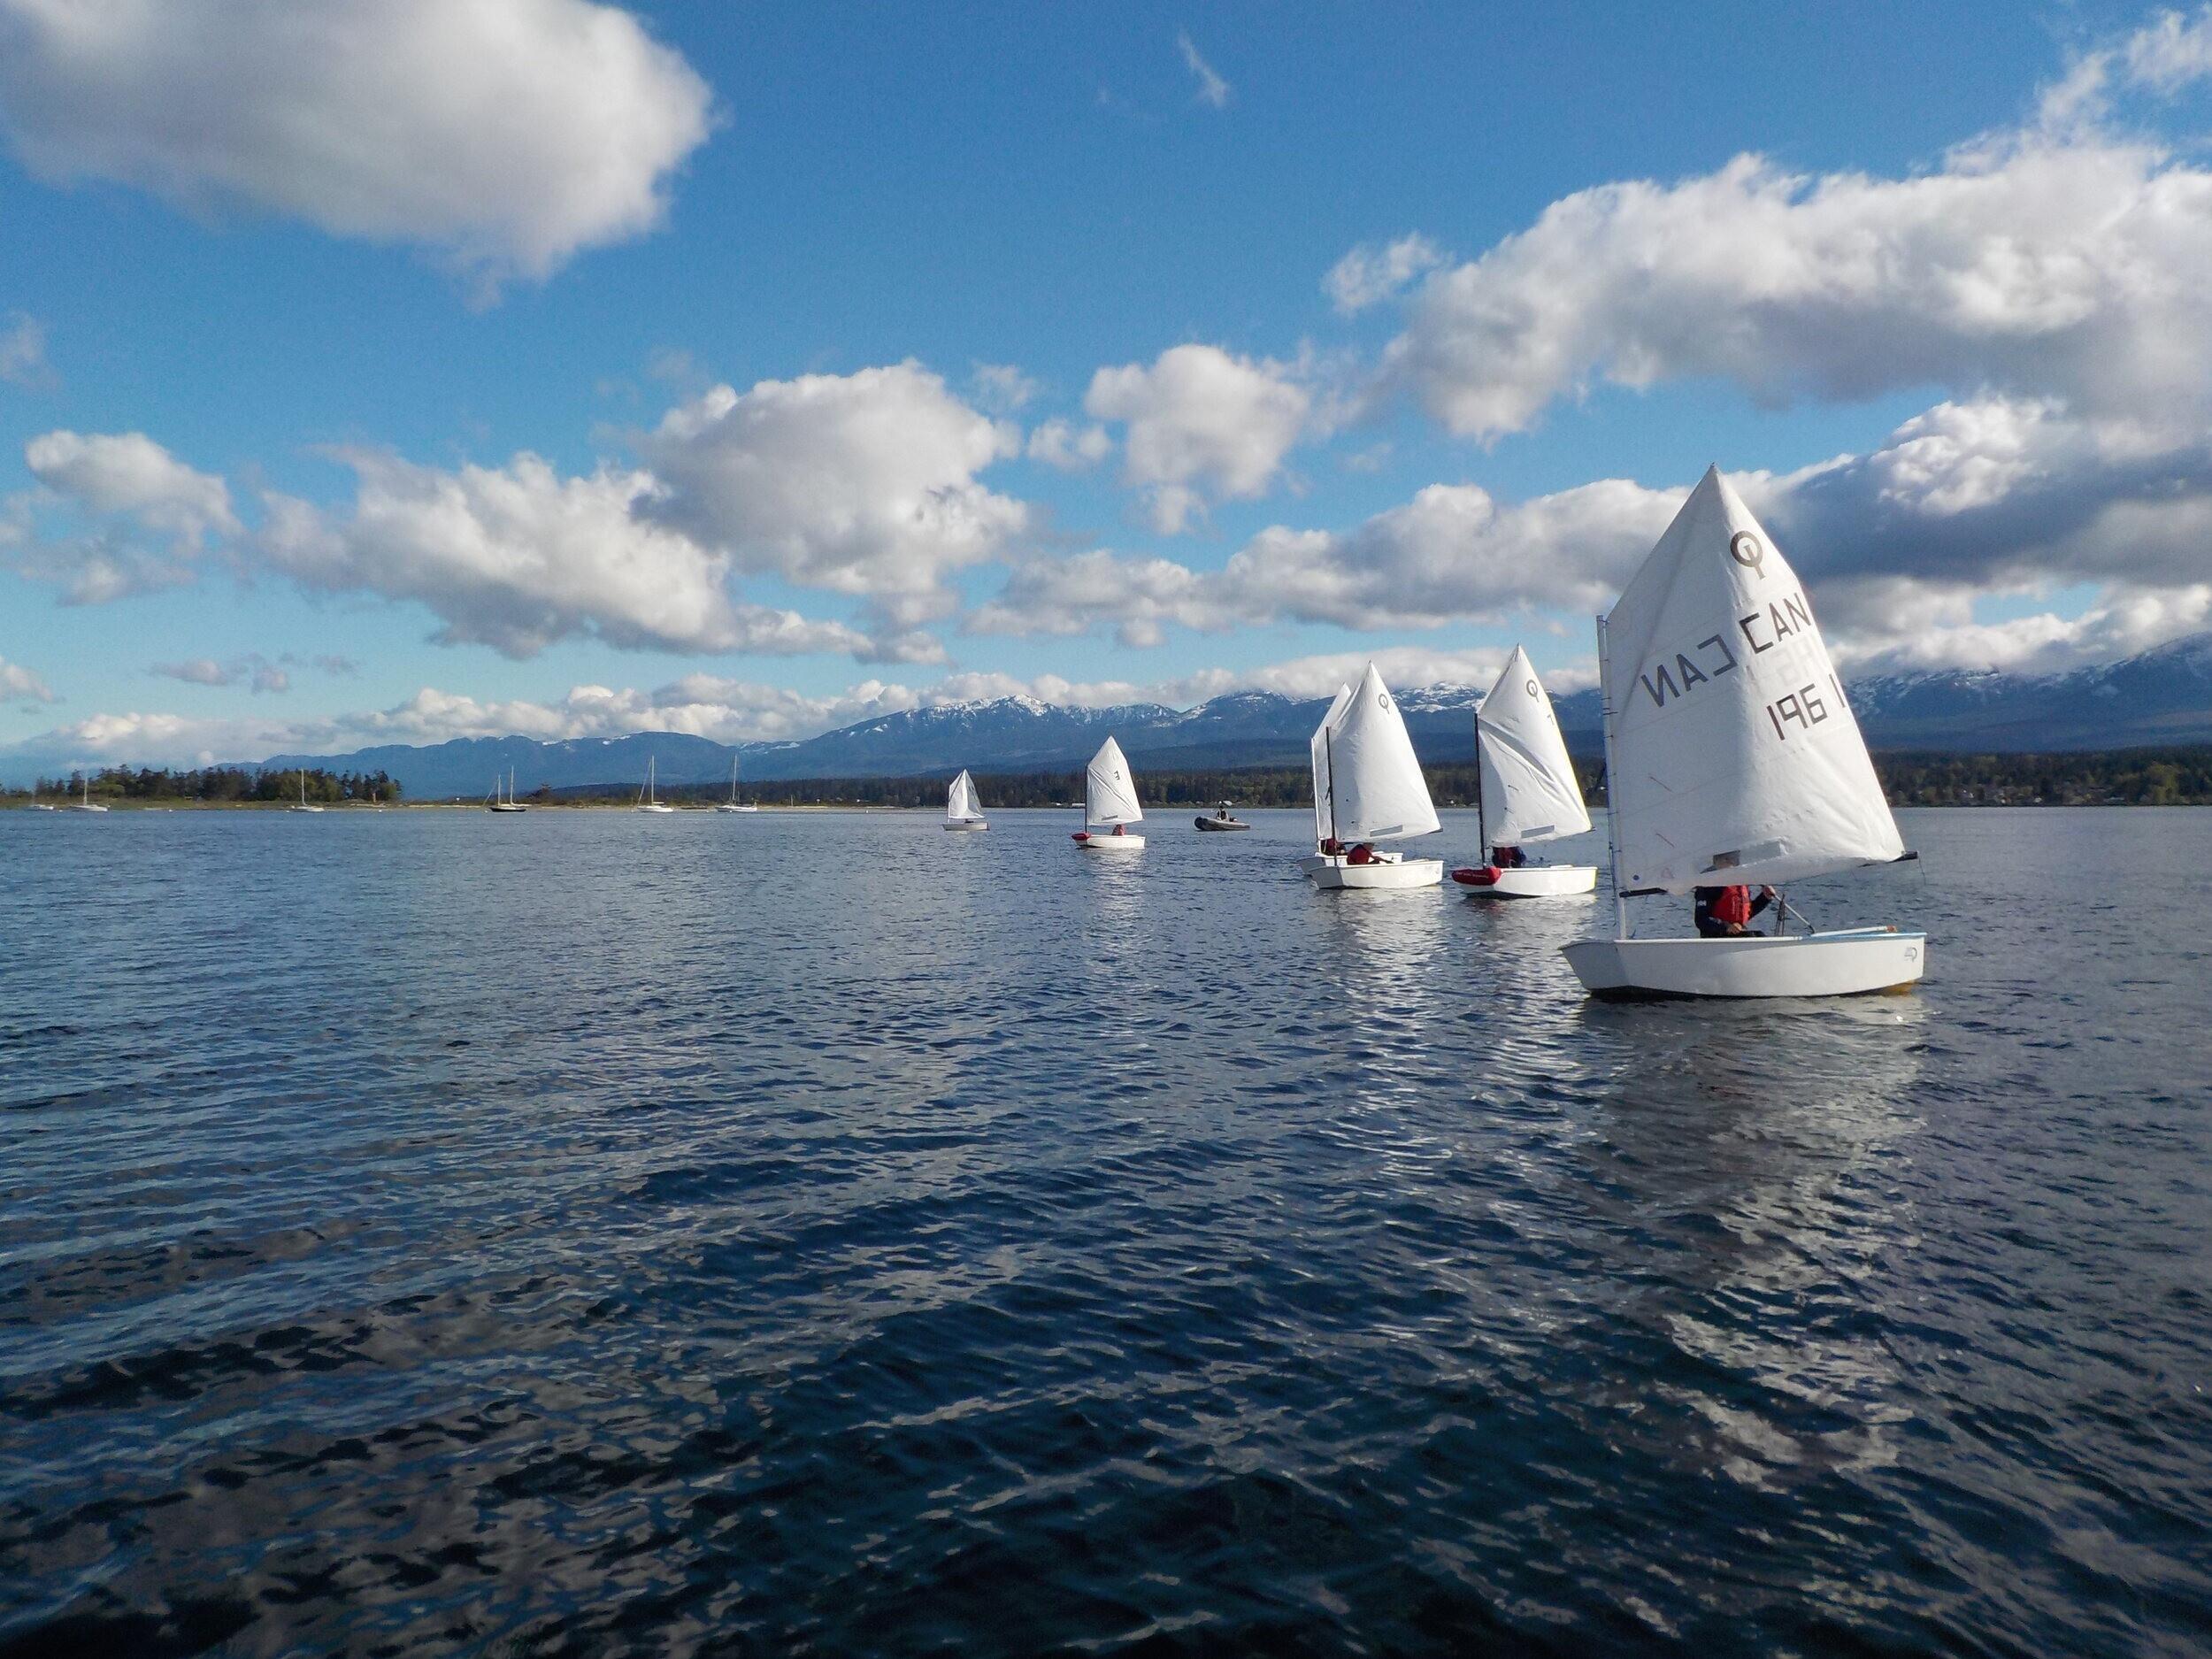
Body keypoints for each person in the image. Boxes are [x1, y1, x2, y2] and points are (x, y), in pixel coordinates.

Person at [1694, 883, 1775, 938]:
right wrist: (1727, 926)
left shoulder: (1740, 884)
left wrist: (1764, 898)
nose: (1734, 861)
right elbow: (1701, 920)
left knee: (1759, 936)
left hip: (1735, 935)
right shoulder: (1710, 885)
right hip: (1715, 938)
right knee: (1754, 937)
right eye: (1728, 859)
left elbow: (1745, 913)